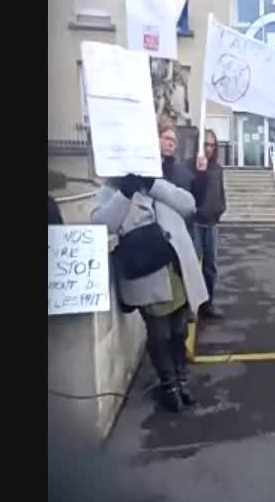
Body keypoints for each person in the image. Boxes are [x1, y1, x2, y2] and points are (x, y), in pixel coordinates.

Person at [90, 123, 209, 414]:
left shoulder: (158, 181)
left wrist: (153, 184)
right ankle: (168, 386)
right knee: (159, 334)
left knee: (180, 328)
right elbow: (101, 223)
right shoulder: (111, 189)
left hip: (176, 268)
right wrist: (126, 194)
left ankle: (182, 380)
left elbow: (189, 204)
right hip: (147, 274)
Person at [190, 129, 227, 319]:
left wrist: (221, 207)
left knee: (210, 266)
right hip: (197, 222)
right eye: (206, 144)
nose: (209, 148)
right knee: (193, 266)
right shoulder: (192, 166)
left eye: (212, 145)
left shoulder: (218, 168)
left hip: (212, 222)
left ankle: (208, 303)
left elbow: (220, 191)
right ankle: (191, 307)